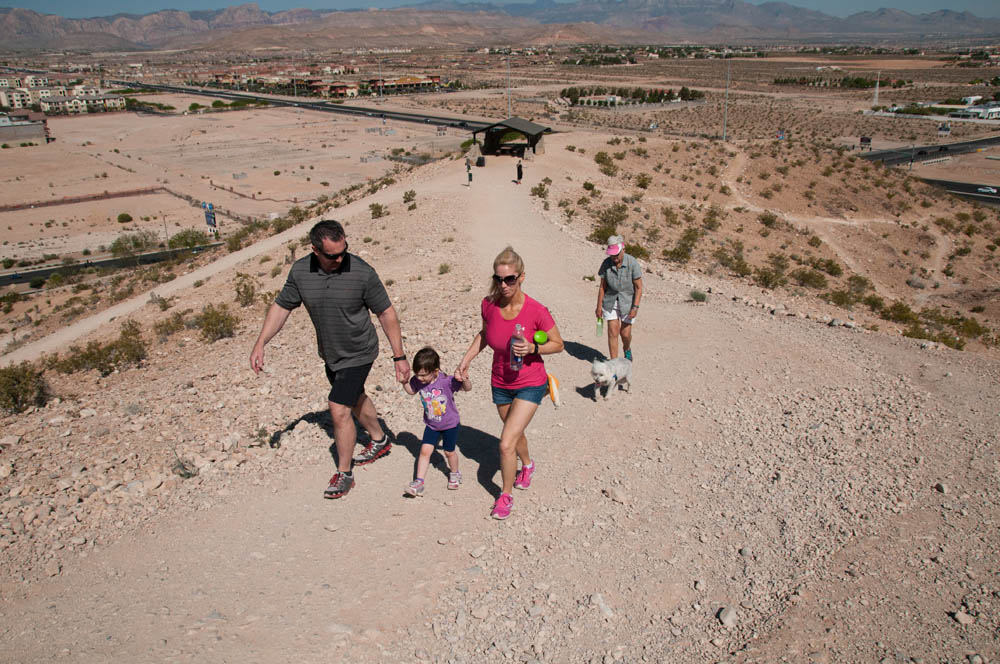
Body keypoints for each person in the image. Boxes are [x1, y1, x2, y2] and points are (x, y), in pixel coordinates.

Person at [249, 219, 409, 500]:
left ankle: (344, 473)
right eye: (332, 255)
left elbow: (386, 313)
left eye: (343, 251)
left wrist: (399, 356)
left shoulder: (362, 272)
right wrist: (261, 342)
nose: (340, 259)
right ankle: (379, 439)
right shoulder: (301, 271)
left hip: (359, 351)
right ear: (315, 250)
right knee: (354, 397)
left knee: (338, 407)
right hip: (331, 353)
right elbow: (282, 307)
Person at [456, 246, 564, 520]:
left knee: (505, 443)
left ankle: (504, 496)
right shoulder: (489, 305)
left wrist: (533, 348)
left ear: (521, 277)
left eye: (509, 279)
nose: (503, 285)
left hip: (530, 381)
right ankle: (527, 464)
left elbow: (558, 344)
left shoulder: (536, 310)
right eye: (499, 279)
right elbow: (484, 334)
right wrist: (466, 359)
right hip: (500, 381)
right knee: (513, 433)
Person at [402, 346, 471, 497]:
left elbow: (467, 388)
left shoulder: (446, 381)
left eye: (423, 375)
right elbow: (411, 391)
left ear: (435, 371)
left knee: (449, 452)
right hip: (432, 424)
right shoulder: (418, 381)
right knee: (424, 451)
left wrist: (465, 379)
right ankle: (419, 482)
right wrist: (404, 382)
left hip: (450, 424)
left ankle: (455, 473)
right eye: (417, 374)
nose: (419, 378)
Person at [596, 234, 643, 362]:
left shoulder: (632, 263)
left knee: (625, 334)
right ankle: (614, 363)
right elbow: (602, 287)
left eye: (616, 254)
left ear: (623, 249)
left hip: (628, 302)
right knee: (612, 331)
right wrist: (599, 306)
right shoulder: (606, 264)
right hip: (610, 301)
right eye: (612, 255)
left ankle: (627, 348)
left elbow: (639, 287)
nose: (614, 258)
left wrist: (635, 307)